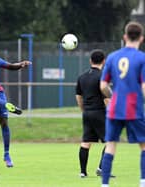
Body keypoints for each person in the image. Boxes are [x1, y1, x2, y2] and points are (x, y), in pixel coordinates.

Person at [100, 21, 145, 187]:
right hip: (134, 108)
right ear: (141, 38)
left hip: (114, 108)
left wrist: (113, 97)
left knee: (110, 145)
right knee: (143, 145)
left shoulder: (112, 57)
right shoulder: (142, 58)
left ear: (124, 37)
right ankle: (143, 182)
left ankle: (104, 184)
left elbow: (103, 86)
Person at [76, 49, 114, 178]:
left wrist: (83, 110)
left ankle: (83, 172)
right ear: (104, 61)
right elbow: (106, 98)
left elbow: (79, 97)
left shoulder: (82, 77)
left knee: (86, 142)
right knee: (110, 141)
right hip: (100, 112)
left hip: (87, 112)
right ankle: (102, 169)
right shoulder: (103, 77)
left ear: (90, 61)